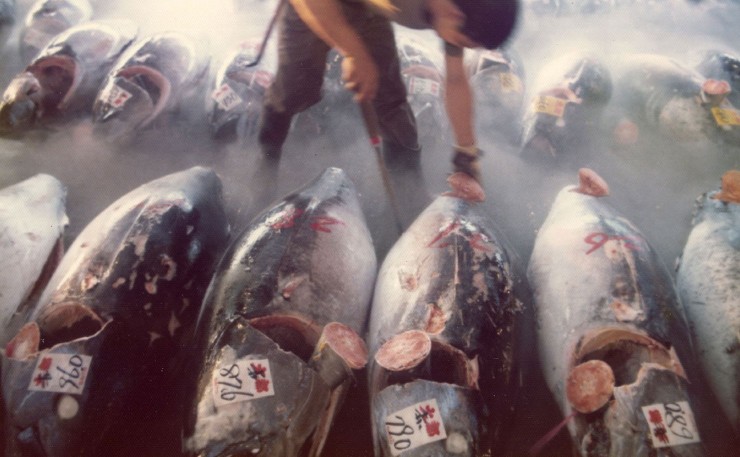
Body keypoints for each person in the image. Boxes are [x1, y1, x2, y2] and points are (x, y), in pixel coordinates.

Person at [257, 0, 519, 181]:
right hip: (316, 6)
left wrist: (466, 152)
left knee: (391, 101)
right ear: (454, 15)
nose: (457, 46)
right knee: (295, 90)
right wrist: (353, 52)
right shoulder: (455, 13)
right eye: (462, 42)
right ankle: (265, 162)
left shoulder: (461, 8)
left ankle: (408, 194)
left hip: (369, 10)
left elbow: (455, 79)